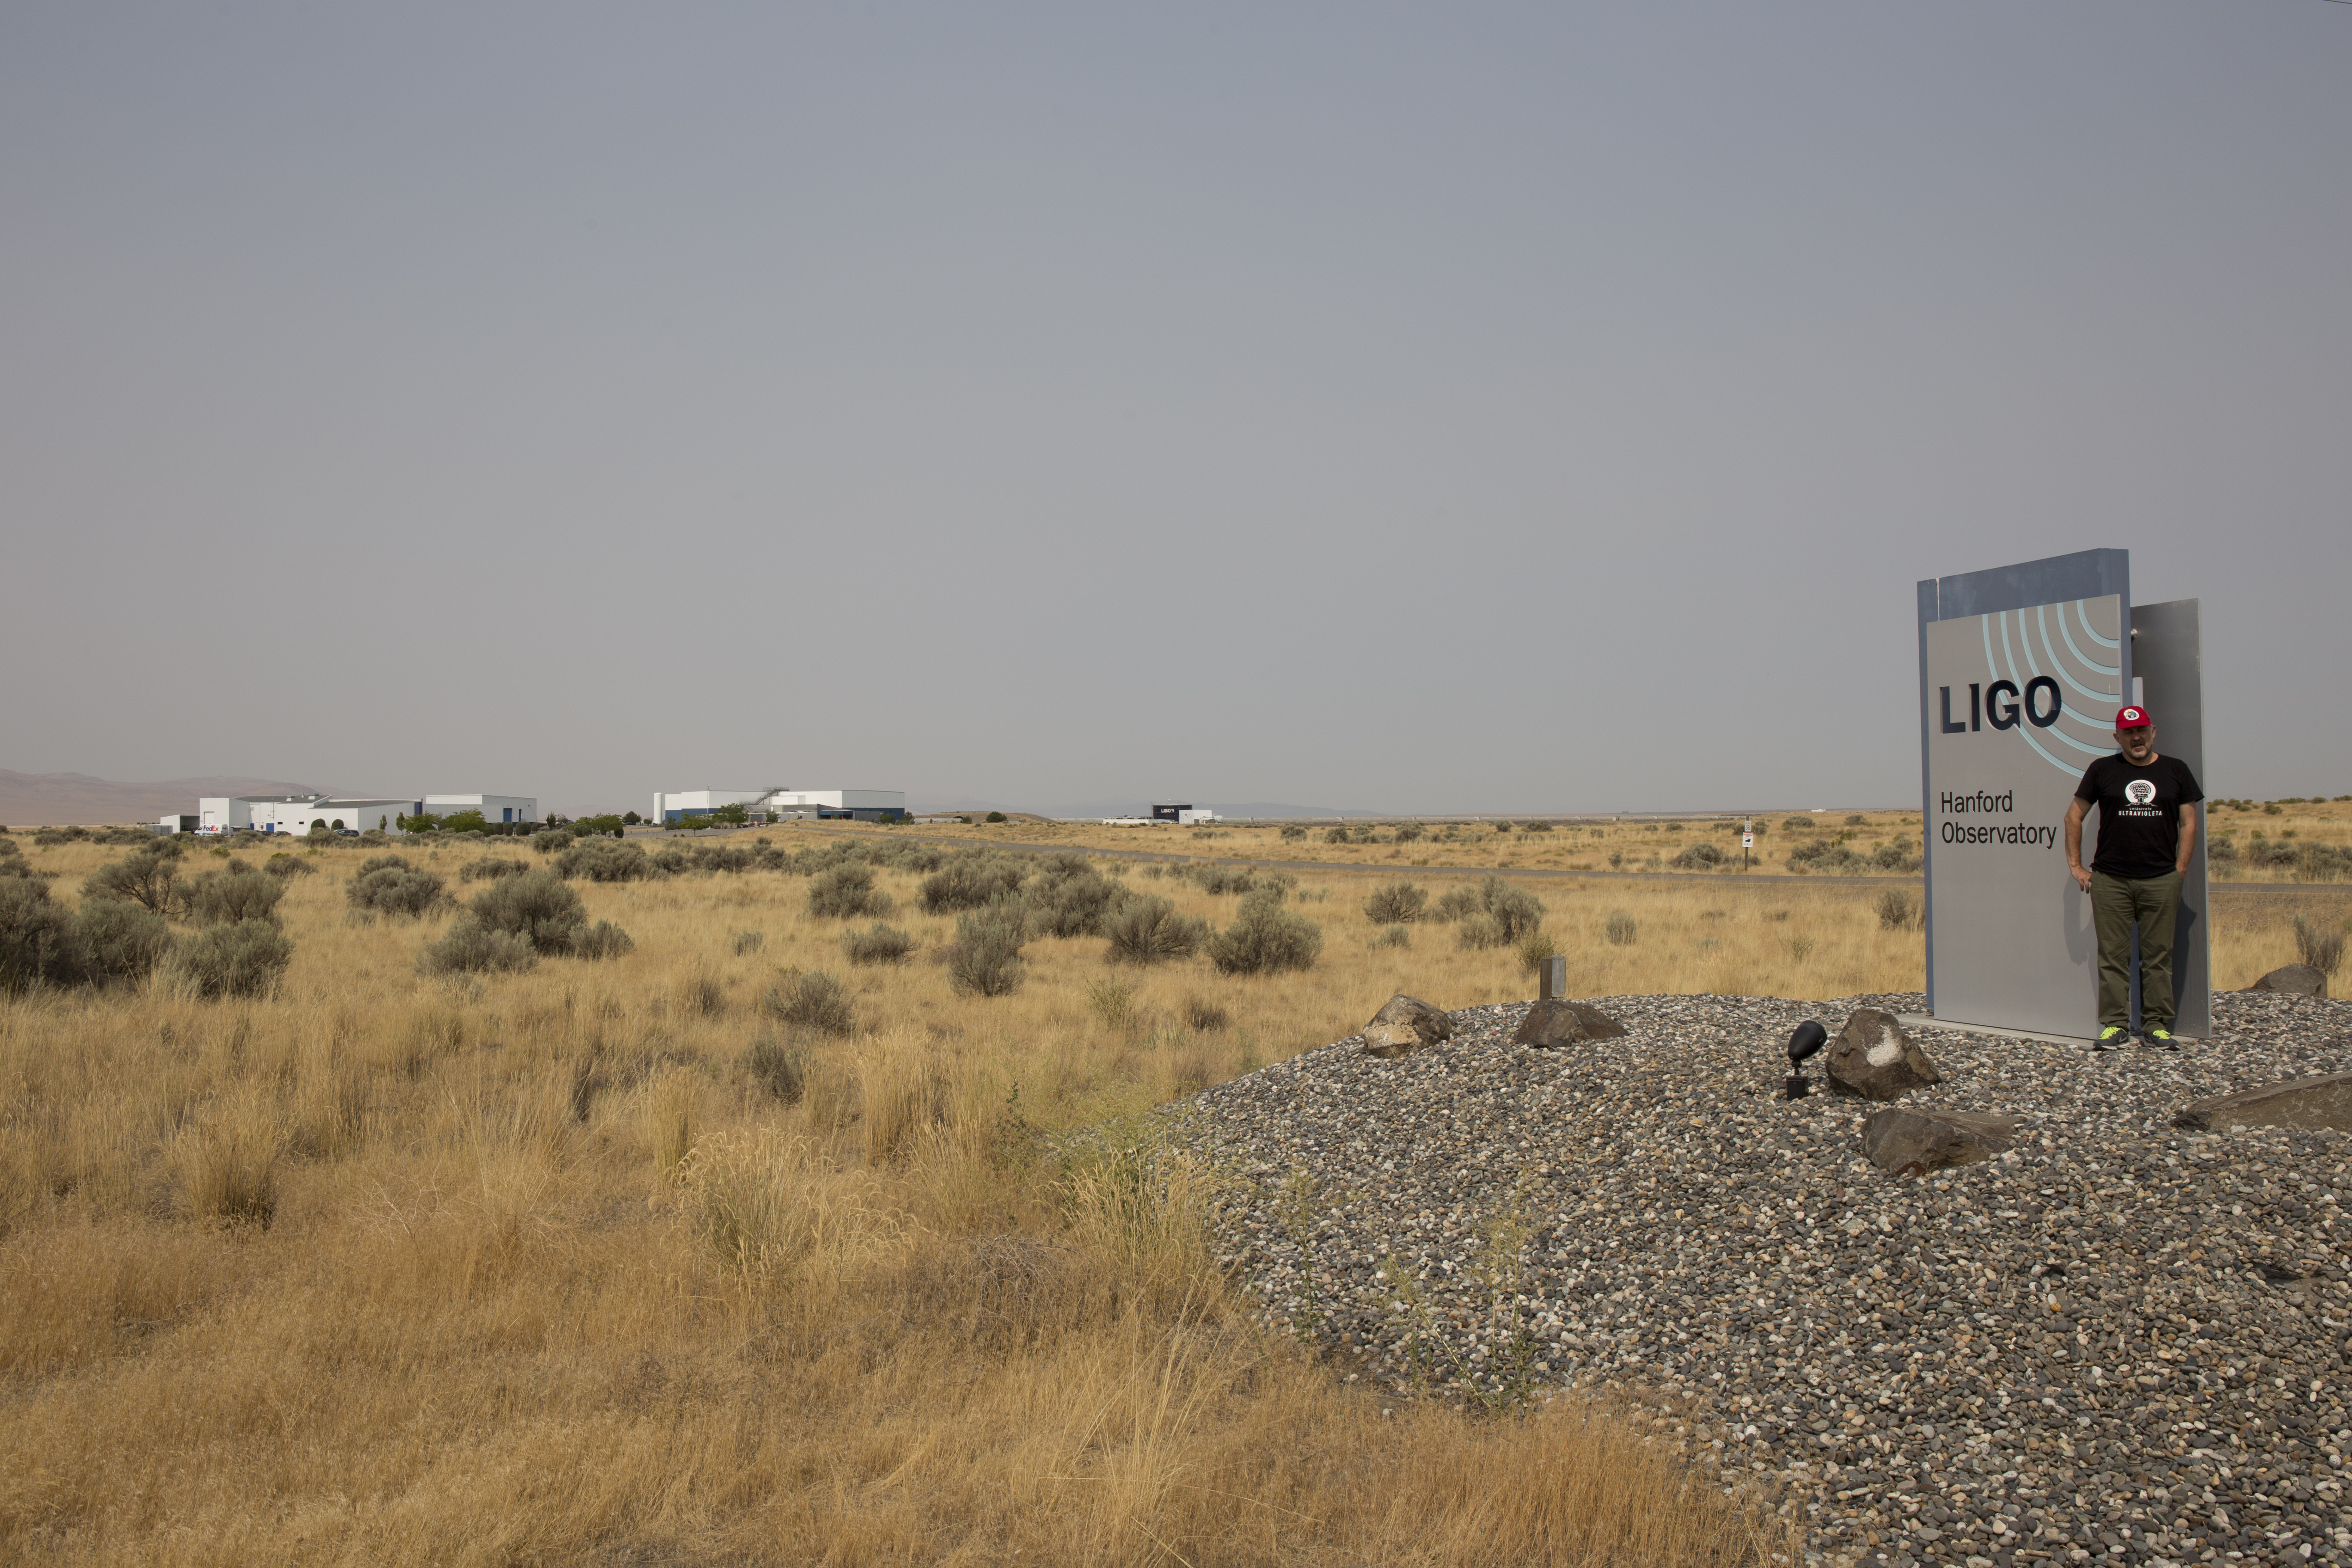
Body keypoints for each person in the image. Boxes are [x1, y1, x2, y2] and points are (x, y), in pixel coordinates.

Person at [2063, 704, 2202, 1050]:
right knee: (2112, 958)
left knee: (2158, 957)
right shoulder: (2102, 770)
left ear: (2153, 732)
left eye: (2141, 730)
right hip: (2111, 880)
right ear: (2118, 737)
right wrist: (2076, 866)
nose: (2136, 738)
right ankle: (2115, 1025)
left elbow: (2189, 822)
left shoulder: (2176, 770)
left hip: (2161, 878)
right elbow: (2073, 816)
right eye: (2128, 732)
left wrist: (2181, 869)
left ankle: (2156, 1026)